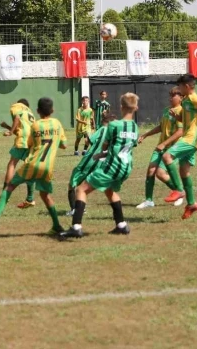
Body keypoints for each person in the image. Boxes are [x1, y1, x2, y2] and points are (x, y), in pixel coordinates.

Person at [0, 98, 67, 235]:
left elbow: (30, 143)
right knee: (46, 196)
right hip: (48, 168)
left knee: (10, 187)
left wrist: (11, 130)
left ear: (38, 111)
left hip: (33, 164)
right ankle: (57, 225)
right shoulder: (57, 124)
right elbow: (64, 145)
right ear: (53, 110)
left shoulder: (36, 126)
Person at [59, 93, 139, 239]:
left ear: (121, 107)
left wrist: (100, 154)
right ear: (136, 108)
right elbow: (126, 146)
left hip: (112, 166)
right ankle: (121, 225)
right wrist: (103, 154)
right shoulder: (135, 127)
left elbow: (105, 146)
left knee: (81, 189)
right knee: (110, 191)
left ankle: (76, 227)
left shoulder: (114, 125)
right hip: (126, 167)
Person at [161, 74, 197, 220]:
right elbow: (188, 119)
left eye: (180, 86)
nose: (179, 89)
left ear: (187, 86)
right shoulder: (186, 100)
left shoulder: (195, 99)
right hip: (189, 139)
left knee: (166, 156)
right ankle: (192, 204)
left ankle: (179, 190)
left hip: (190, 140)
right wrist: (177, 118)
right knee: (184, 172)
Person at [136, 86, 185, 209]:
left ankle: (179, 192)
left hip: (172, 148)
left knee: (161, 173)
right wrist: (146, 135)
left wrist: (164, 143)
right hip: (160, 147)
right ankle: (148, 201)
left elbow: (180, 131)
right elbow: (161, 127)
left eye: (173, 95)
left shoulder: (181, 111)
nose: (170, 98)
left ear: (181, 97)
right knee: (151, 171)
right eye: (170, 95)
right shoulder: (166, 110)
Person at [66, 114, 116, 216]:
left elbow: (87, 141)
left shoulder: (102, 129)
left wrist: (89, 134)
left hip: (90, 160)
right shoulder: (113, 133)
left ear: (104, 121)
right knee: (85, 186)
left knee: (72, 184)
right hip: (101, 163)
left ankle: (75, 210)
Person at [0, 99, 37, 209]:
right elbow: (19, 129)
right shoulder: (30, 113)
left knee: (12, 164)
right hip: (32, 140)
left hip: (23, 139)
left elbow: (16, 119)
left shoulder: (17, 107)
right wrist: (7, 126)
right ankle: (30, 199)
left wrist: (10, 131)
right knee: (29, 168)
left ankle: (4, 196)